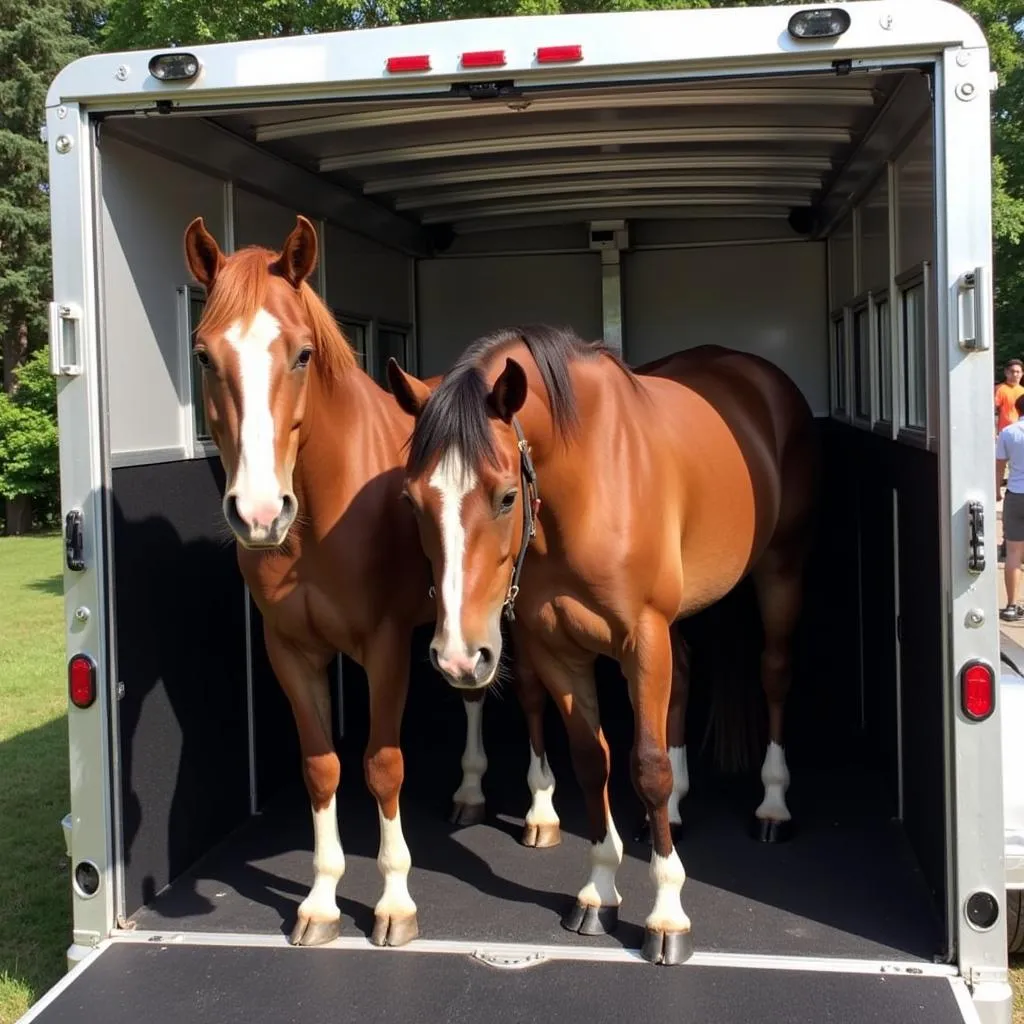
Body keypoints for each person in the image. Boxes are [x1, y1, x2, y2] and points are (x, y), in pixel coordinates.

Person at [997, 392, 1024, 620]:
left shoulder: (1008, 432)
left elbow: (999, 466)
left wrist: (996, 489)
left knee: (1013, 553)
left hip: (1015, 494)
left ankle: (1011, 605)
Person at [996, 358, 1024, 434]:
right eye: (1012, 371)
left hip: (1021, 433)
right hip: (1005, 432)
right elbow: (991, 412)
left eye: (1018, 372)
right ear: (1006, 372)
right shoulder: (999, 390)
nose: (1015, 374)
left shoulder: (1023, 391)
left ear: (1022, 373)